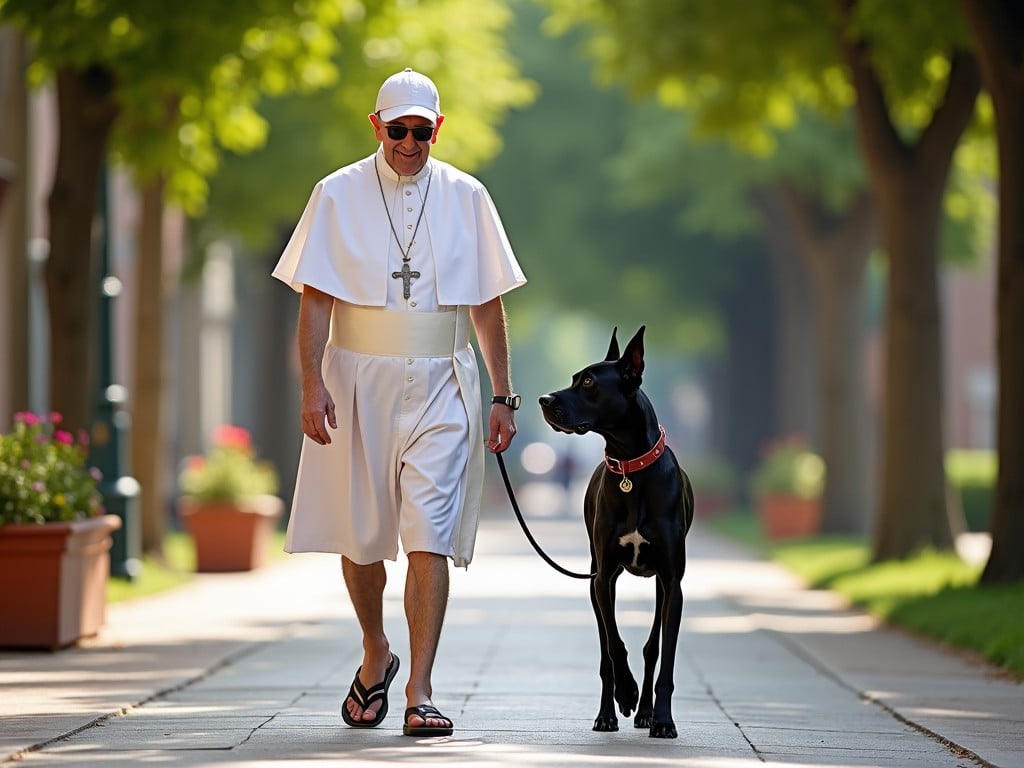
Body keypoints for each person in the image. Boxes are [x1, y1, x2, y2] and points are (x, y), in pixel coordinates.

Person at [272, 68, 526, 738]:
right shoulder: (335, 193)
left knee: (430, 533)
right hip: (356, 381)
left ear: (438, 129)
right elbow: (316, 298)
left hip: (444, 379)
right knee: (360, 536)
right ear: (376, 126)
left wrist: (503, 394)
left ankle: (419, 687)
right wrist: (311, 384)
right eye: (398, 130)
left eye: (422, 131)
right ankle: (375, 649)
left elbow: (488, 304)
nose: (410, 143)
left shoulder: (469, 196)